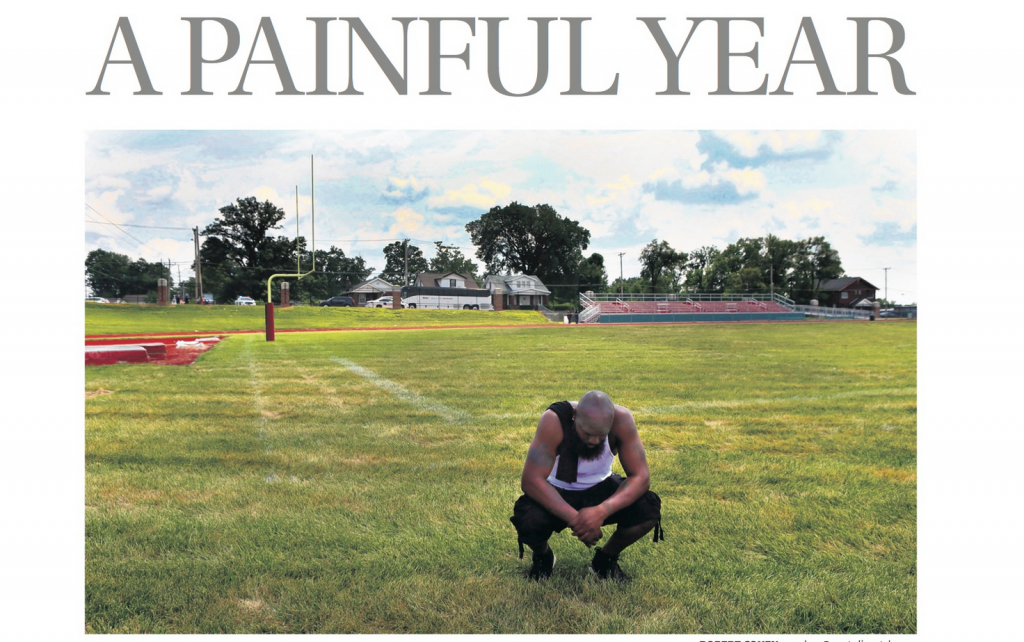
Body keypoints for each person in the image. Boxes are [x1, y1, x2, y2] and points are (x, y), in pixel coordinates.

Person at [510, 391, 663, 581]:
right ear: (574, 417)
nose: (593, 441)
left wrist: (601, 511)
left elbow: (641, 477)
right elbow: (531, 480)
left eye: (601, 436)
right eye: (587, 433)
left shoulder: (622, 420)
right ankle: (543, 557)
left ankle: (605, 560)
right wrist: (578, 519)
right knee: (528, 519)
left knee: (647, 508)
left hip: (601, 487)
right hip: (557, 490)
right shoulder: (554, 420)